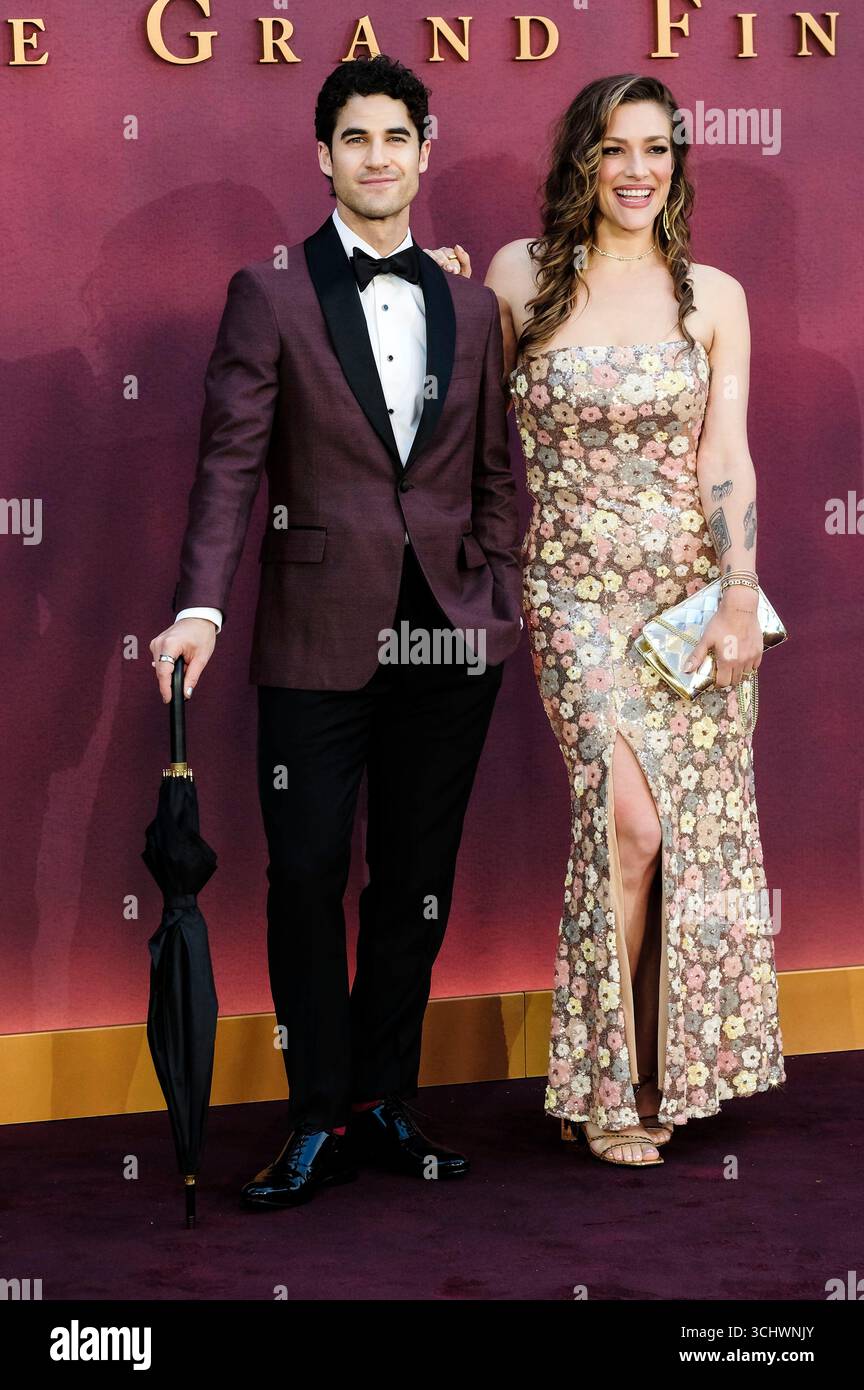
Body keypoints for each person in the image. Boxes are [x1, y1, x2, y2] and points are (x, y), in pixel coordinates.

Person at [148, 54, 523, 1207]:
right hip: (316, 633)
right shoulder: (268, 294)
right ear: (323, 156)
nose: (376, 157)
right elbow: (229, 465)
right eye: (354, 138)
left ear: (425, 147)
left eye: (395, 137)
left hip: (452, 639)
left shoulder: (469, 303)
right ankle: (314, 1114)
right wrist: (201, 604)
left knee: (414, 878)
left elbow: (497, 468)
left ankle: (382, 1101)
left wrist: (496, 579)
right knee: (306, 875)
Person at [427, 73, 785, 1166]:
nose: (637, 172)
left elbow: (725, 454)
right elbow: (461, 406)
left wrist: (736, 593)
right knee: (627, 822)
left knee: (690, 839)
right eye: (614, 151)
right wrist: (438, 295)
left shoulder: (711, 294)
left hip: (691, 601)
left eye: (658, 152)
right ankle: (603, 1087)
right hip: (575, 592)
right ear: (580, 161)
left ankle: (672, 1067)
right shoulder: (520, 277)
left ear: (679, 165)